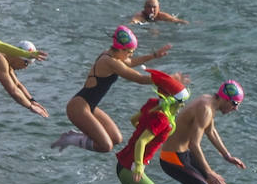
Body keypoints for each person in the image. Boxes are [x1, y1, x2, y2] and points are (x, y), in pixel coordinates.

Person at [52, 25, 171, 153]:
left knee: (116, 138)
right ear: (120, 49)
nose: (131, 55)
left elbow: (130, 63)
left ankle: (78, 136)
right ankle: (71, 139)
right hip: (78, 107)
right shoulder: (109, 62)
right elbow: (140, 79)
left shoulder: (112, 56)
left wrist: (153, 55)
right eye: (129, 52)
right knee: (105, 146)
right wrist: (166, 80)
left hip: (89, 106)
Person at [160, 80, 247, 184]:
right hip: (171, 158)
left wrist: (227, 156)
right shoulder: (206, 110)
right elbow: (194, 144)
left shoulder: (208, 101)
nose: (235, 108)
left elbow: (211, 131)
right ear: (225, 99)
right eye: (235, 104)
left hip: (181, 154)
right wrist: (209, 171)